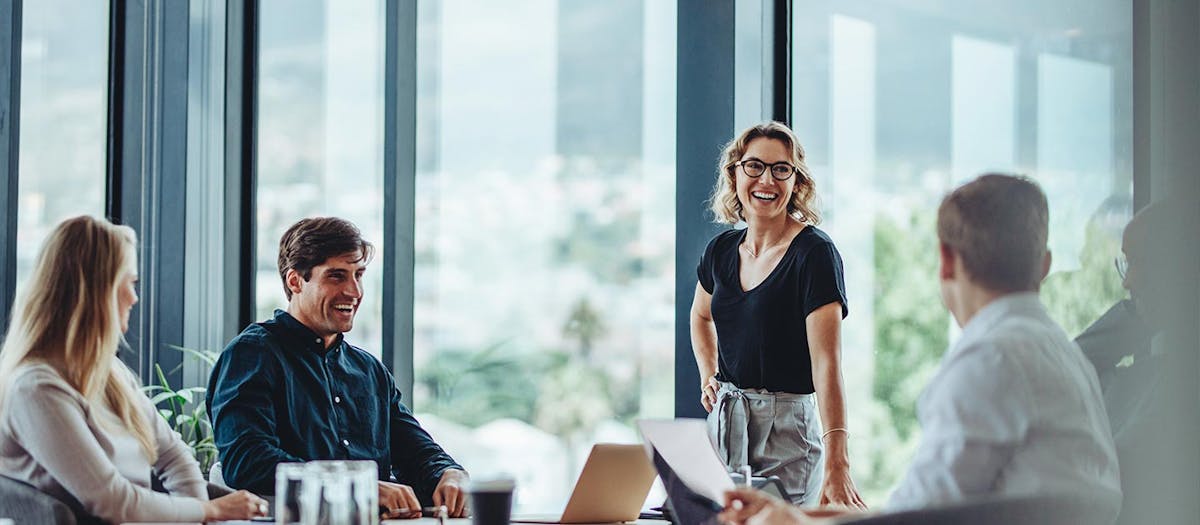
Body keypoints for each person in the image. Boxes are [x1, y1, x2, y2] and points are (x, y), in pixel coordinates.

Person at [720, 174, 1122, 524]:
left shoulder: (989, 361)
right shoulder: (1061, 354)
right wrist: (799, 515)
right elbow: (923, 510)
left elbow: (917, 523)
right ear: (1044, 265)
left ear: (946, 262)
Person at [0, 216, 267, 524]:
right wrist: (209, 510)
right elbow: (112, 501)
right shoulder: (36, 389)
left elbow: (173, 456)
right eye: (129, 283)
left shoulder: (109, 373)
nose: (134, 297)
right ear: (96, 292)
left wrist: (197, 516)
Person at [206, 217, 468, 520]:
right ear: (295, 281)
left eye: (359, 275)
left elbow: (415, 449)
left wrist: (449, 472)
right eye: (336, 276)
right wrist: (359, 488)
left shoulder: (369, 370)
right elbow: (248, 462)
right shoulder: (252, 355)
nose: (354, 291)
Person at [691, 121, 864, 507]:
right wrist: (708, 373)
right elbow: (701, 316)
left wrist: (839, 462)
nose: (766, 179)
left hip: (787, 432)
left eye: (780, 169)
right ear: (735, 173)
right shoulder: (720, 251)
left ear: (796, 181)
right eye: (754, 166)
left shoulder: (814, 254)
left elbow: (827, 364)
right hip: (724, 424)